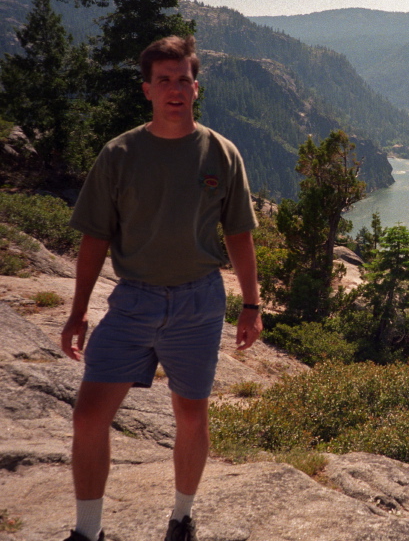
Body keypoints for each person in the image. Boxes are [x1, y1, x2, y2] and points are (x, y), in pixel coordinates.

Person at [59, 35, 263, 541]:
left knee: (191, 416)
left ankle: (181, 518)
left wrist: (252, 304)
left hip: (198, 301)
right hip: (133, 301)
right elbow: (95, 239)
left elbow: (239, 233)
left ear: (197, 87)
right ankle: (88, 533)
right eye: (164, 81)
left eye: (184, 80)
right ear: (147, 89)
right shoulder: (119, 154)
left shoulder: (221, 153)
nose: (175, 89)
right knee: (88, 418)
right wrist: (78, 311)